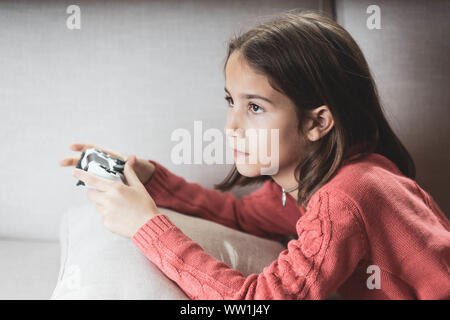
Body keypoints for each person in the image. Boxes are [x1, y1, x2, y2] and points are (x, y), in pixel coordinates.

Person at [60, 10, 450, 299]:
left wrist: (147, 227)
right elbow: (239, 216)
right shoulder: (302, 183)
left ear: (317, 123)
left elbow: (257, 304)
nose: (231, 126)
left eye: (256, 107)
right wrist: (151, 181)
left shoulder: (348, 195)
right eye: (232, 101)